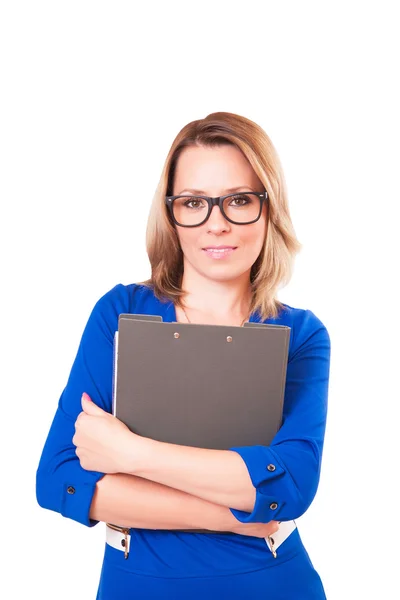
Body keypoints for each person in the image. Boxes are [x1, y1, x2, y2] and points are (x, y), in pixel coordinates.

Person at [36, 111, 331, 599]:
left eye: (239, 200)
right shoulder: (122, 314)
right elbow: (60, 479)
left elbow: (290, 487)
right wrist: (236, 514)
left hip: (270, 583)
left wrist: (132, 455)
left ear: (268, 208)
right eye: (194, 202)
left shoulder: (298, 334)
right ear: (171, 213)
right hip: (140, 585)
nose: (216, 224)